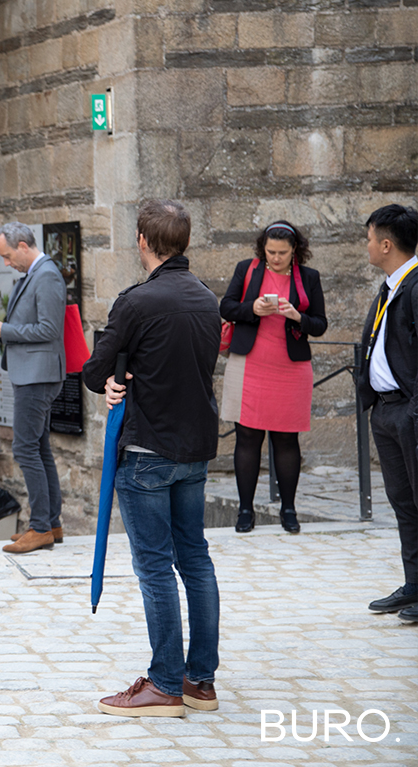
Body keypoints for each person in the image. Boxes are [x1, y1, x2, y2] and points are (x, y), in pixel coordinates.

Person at [82, 199, 221, 717]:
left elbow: (96, 371)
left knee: (157, 568)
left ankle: (165, 683)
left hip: (147, 451)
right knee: (196, 559)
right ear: (183, 242)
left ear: (143, 241)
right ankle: (200, 681)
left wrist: (112, 381)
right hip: (194, 447)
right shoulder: (207, 297)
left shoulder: (137, 302)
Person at [220, 221, 327, 534]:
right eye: (271, 252)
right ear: (262, 248)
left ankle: (289, 510)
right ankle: (244, 511)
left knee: (286, 437)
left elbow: (320, 324)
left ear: (295, 250)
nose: (276, 258)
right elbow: (226, 306)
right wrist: (252, 308)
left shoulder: (309, 277)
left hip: (290, 367)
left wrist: (297, 316)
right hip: (248, 362)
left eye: (282, 252)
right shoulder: (247, 269)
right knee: (247, 437)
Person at [0, 221, 67, 553]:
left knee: (26, 449)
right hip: (31, 373)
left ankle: (41, 527)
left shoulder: (47, 275)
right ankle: (51, 524)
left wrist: (6, 331)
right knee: (39, 449)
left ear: (24, 247)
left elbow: (49, 329)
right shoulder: (36, 275)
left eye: (8, 255)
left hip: (37, 376)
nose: (6, 263)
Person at [357, 204, 418, 623]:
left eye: (368, 238)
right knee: (403, 502)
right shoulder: (391, 285)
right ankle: (414, 583)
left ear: (386, 243)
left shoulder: (414, 286)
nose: (366, 246)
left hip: (410, 410)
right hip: (387, 411)